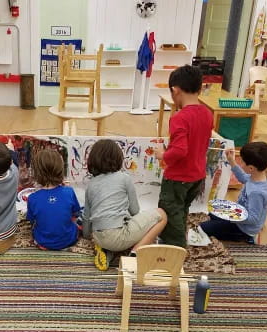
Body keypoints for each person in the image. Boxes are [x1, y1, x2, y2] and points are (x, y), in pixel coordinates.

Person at [82, 139, 167, 271]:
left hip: (98, 236)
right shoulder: (124, 178)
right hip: (118, 236)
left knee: (117, 233)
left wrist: (87, 236)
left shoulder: (91, 184)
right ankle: (134, 254)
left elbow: (87, 216)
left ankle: (108, 252)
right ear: (118, 158)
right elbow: (135, 211)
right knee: (161, 214)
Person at [154, 65, 213, 248]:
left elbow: (179, 150)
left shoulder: (179, 118)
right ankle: (176, 239)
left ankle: (176, 248)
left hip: (178, 177)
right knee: (181, 209)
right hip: (197, 175)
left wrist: (163, 155)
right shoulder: (207, 113)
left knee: (171, 212)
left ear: (175, 90)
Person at [200, 142, 267, 243]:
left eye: (242, 162)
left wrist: (231, 217)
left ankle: (246, 238)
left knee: (204, 227)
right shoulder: (256, 177)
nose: (240, 163)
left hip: (243, 229)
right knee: (212, 212)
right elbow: (242, 177)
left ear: (251, 168)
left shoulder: (257, 192)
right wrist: (231, 160)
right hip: (238, 217)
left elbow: (254, 219)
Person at [27, 149, 81, 250]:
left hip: (43, 242)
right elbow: (76, 215)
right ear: (60, 170)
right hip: (68, 240)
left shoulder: (32, 198)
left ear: (36, 173)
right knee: (76, 221)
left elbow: (31, 221)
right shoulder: (69, 191)